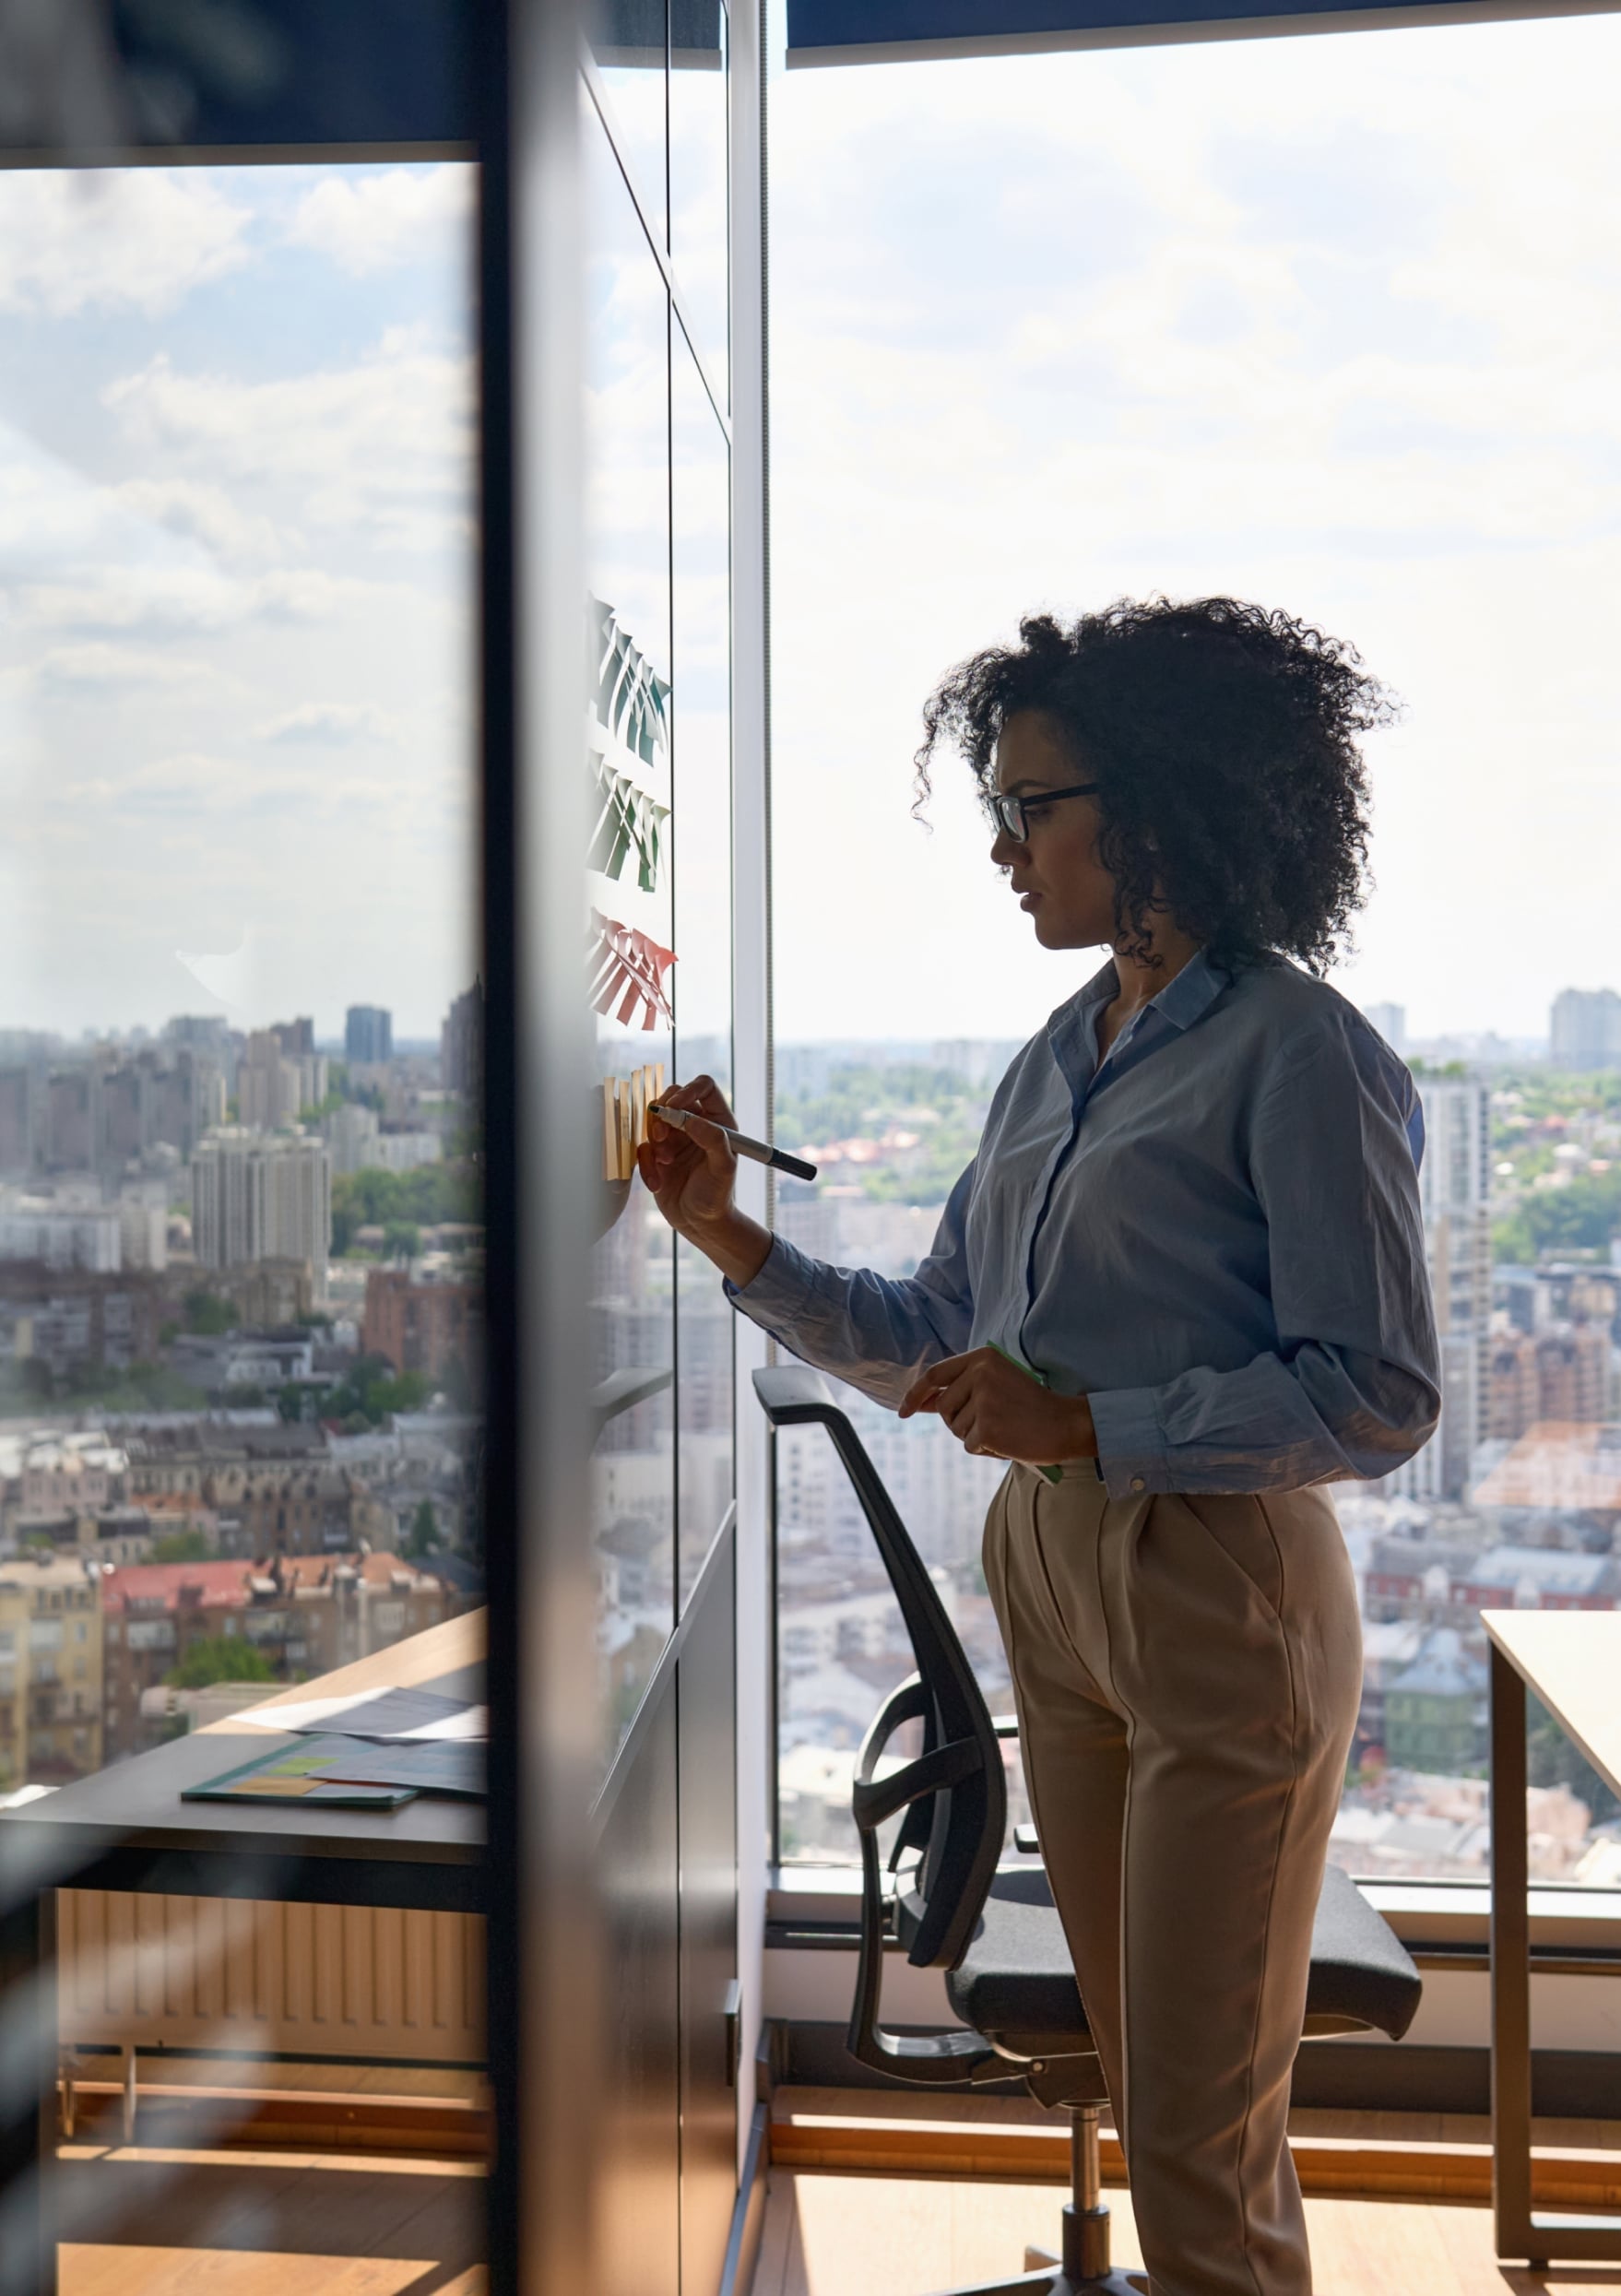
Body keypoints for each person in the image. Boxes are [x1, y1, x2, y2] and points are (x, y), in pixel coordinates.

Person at [640, 595, 1440, 2296]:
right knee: (1168, 2089)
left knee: (1194, 2154)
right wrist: (727, 1235)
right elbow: (937, 1320)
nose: (1001, 847)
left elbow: (1378, 1391)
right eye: (996, 807)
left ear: (1150, 807)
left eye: (1029, 806)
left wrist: (1091, 1415)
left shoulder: (1302, 1055)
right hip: (1055, 1579)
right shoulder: (1050, 1061)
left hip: (1218, 1589)